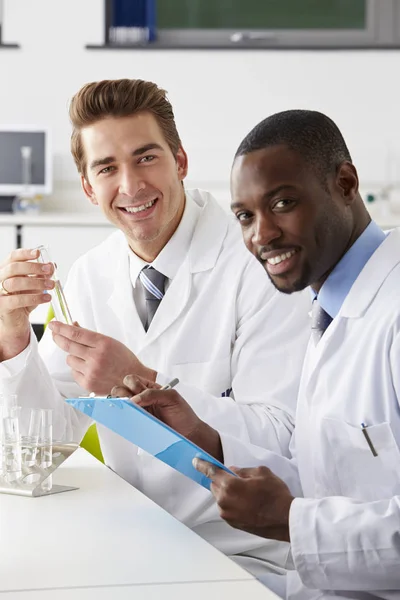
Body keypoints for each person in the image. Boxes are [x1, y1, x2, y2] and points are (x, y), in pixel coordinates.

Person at [0, 80, 310, 576]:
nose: (131, 185)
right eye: (107, 168)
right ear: (87, 187)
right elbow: (47, 439)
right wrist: (13, 335)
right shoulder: (90, 275)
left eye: (146, 157)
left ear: (180, 161)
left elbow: (287, 437)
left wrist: (144, 380)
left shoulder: (258, 259)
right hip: (135, 539)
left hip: (249, 552)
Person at [118, 110, 400, 599]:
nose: (261, 235)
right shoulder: (329, 310)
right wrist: (204, 435)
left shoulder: (389, 314)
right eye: (245, 216)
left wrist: (292, 521)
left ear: (346, 183)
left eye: (283, 203)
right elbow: (333, 477)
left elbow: (314, 510)